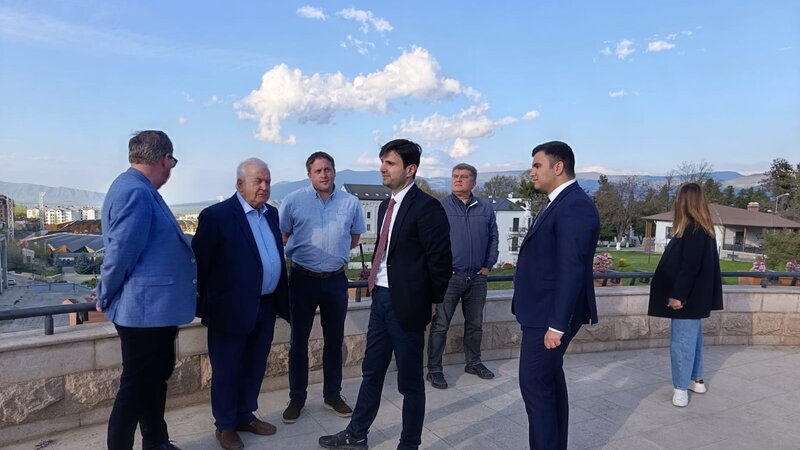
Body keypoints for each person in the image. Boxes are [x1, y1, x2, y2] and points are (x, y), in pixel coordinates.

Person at [319, 139, 452, 450]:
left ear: (410, 169)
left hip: (408, 306)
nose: (382, 168)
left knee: (410, 383)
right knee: (372, 372)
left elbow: (440, 263)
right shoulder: (384, 206)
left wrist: (431, 301)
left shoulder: (427, 208)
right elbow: (388, 252)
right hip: (380, 300)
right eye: (382, 162)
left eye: (390, 163)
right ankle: (356, 434)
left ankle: (409, 444)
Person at [96, 130, 196, 450]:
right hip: (143, 312)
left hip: (153, 311)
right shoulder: (136, 192)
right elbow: (120, 253)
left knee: (153, 383)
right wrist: (104, 293)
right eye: (172, 163)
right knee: (135, 390)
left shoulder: (136, 187)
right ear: (165, 159)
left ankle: (156, 442)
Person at [192, 158, 290, 450]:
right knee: (227, 369)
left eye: (268, 181)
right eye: (258, 181)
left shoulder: (271, 214)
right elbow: (202, 263)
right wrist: (214, 303)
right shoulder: (217, 215)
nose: (264, 187)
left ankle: (246, 415)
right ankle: (225, 426)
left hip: (265, 305)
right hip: (229, 310)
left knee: (255, 365)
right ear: (239, 184)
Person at [512, 141, 599, 450]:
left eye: (537, 165)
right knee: (547, 382)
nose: (532, 172)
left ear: (558, 167)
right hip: (541, 312)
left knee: (534, 384)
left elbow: (571, 268)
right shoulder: (558, 202)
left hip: (549, 317)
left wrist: (557, 325)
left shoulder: (574, 205)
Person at [279, 151, 366, 423]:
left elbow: (353, 237)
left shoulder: (351, 203)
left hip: (335, 280)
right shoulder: (293, 201)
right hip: (302, 279)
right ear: (309, 174)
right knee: (298, 342)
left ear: (334, 171)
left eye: (327, 169)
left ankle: (332, 395)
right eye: (318, 171)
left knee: (334, 341)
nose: (324, 174)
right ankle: (297, 397)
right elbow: (284, 235)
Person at [648, 182, 723, 407]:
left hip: (686, 299)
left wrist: (678, 295)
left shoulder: (693, 230)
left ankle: (680, 389)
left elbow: (690, 267)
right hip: (696, 298)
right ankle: (695, 380)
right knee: (693, 339)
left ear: (683, 202)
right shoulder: (703, 230)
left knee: (682, 343)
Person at [426, 163, 499, 389]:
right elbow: (431, 242)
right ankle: (434, 370)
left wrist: (488, 265)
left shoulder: (485, 208)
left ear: (473, 183)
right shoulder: (440, 207)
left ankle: (473, 363)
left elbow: (493, 238)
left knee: (475, 325)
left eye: (464, 176)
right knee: (440, 326)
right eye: (455, 176)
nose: (458, 180)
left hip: (477, 278)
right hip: (449, 279)